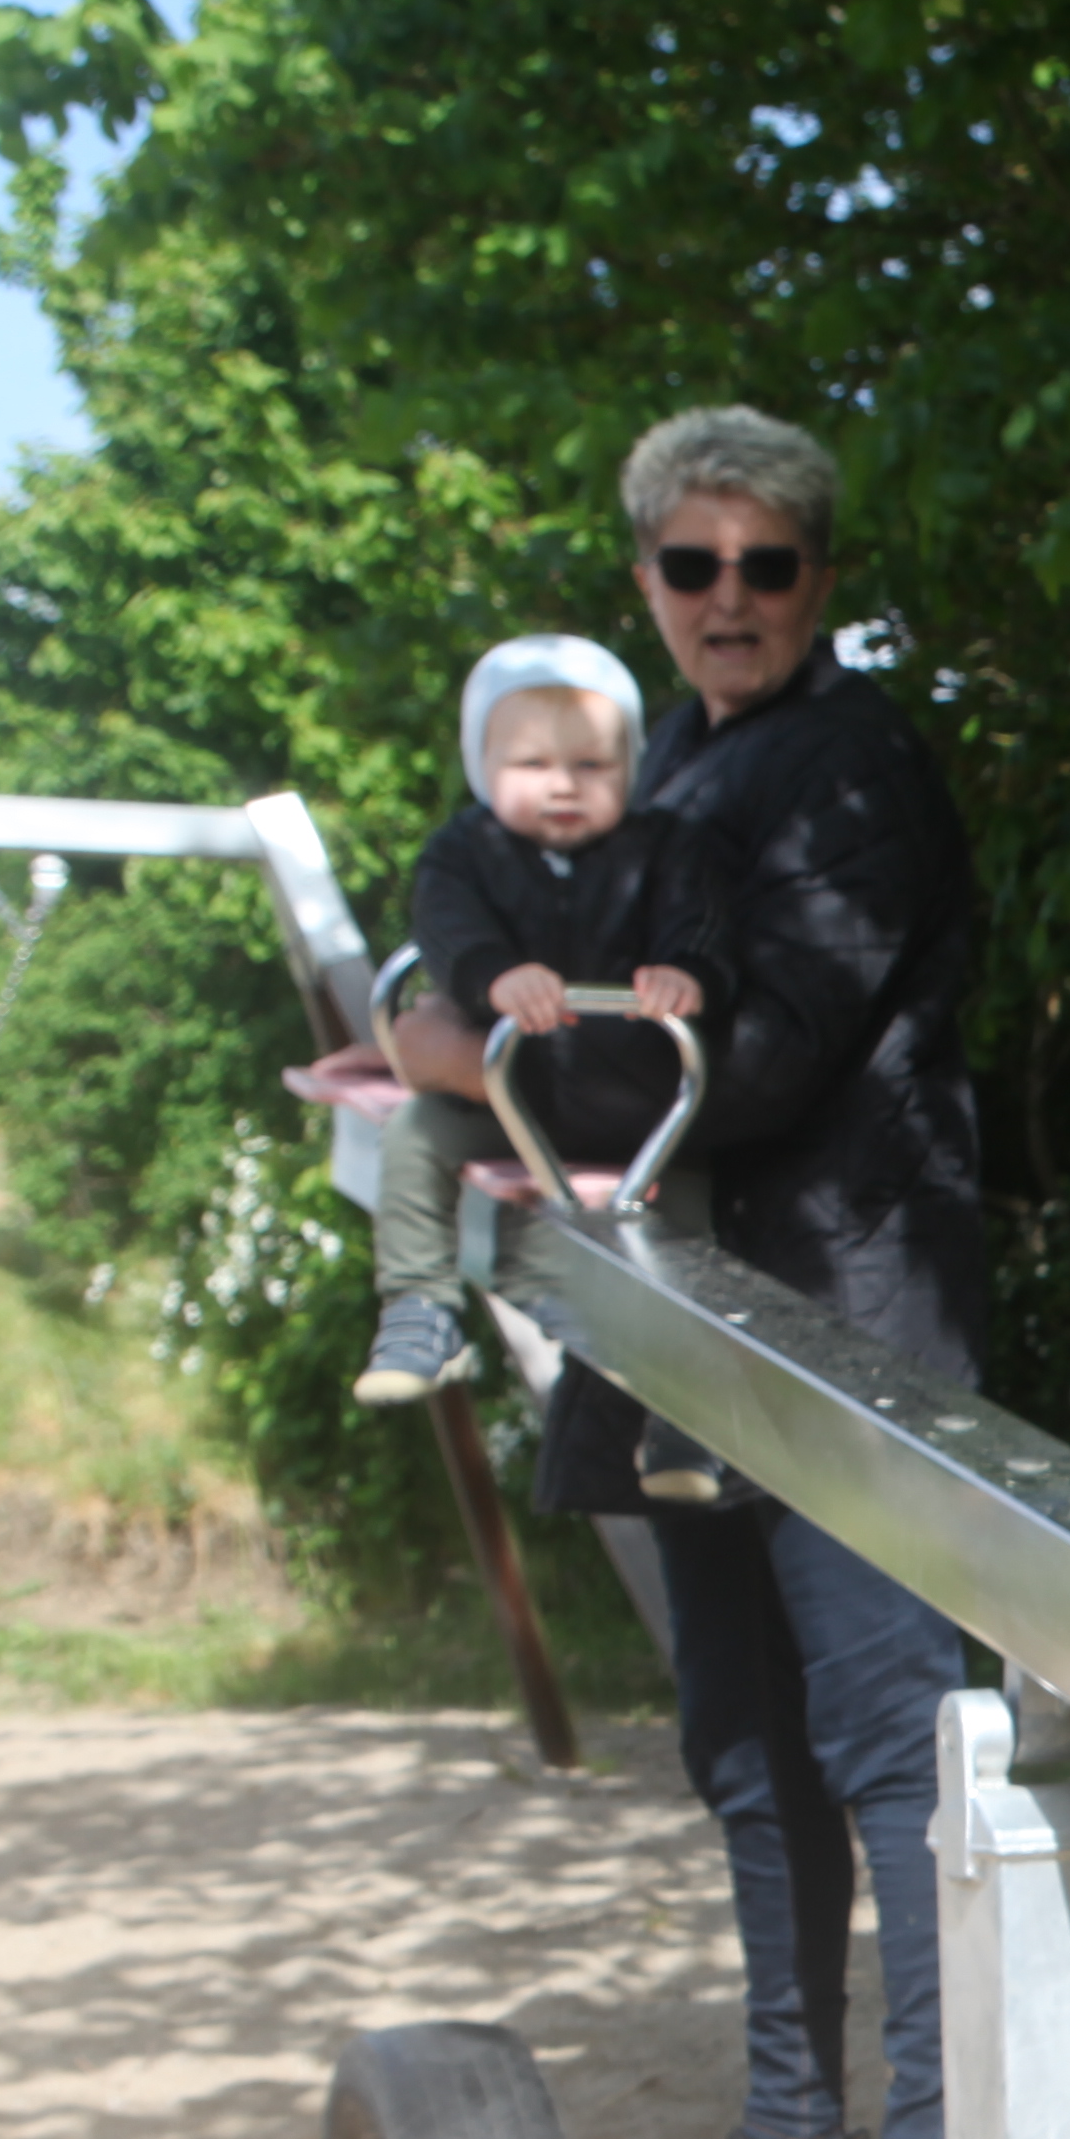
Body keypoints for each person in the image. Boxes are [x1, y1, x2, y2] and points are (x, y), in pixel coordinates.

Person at [383, 403, 986, 2139]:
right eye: (694, 564)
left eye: (768, 564)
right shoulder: (660, 782)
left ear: (820, 580)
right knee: (743, 1736)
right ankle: (794, 2136)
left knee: (886, 1739)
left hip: (840, 1311)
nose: (732, 596)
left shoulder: (849, 769)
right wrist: (445, 1013)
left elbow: (767, 1058)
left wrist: (469, 1060)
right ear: (646, 581)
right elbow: (496, 934)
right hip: (690, 1309)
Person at [358, 637, 740, 1502]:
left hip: (634, 1105)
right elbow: (446, 928)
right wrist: (495, 976)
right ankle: (419, 1307)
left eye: (591, 765)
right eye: (531, 764)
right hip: (509, 1093)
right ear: (483, 765)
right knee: (416, 1133)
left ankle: (685, 1421)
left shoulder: (666, 848)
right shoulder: (467, 851)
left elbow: (703, 922)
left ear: (630, 768)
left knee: (682, 1226)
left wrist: (687, 973)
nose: (562, 785)